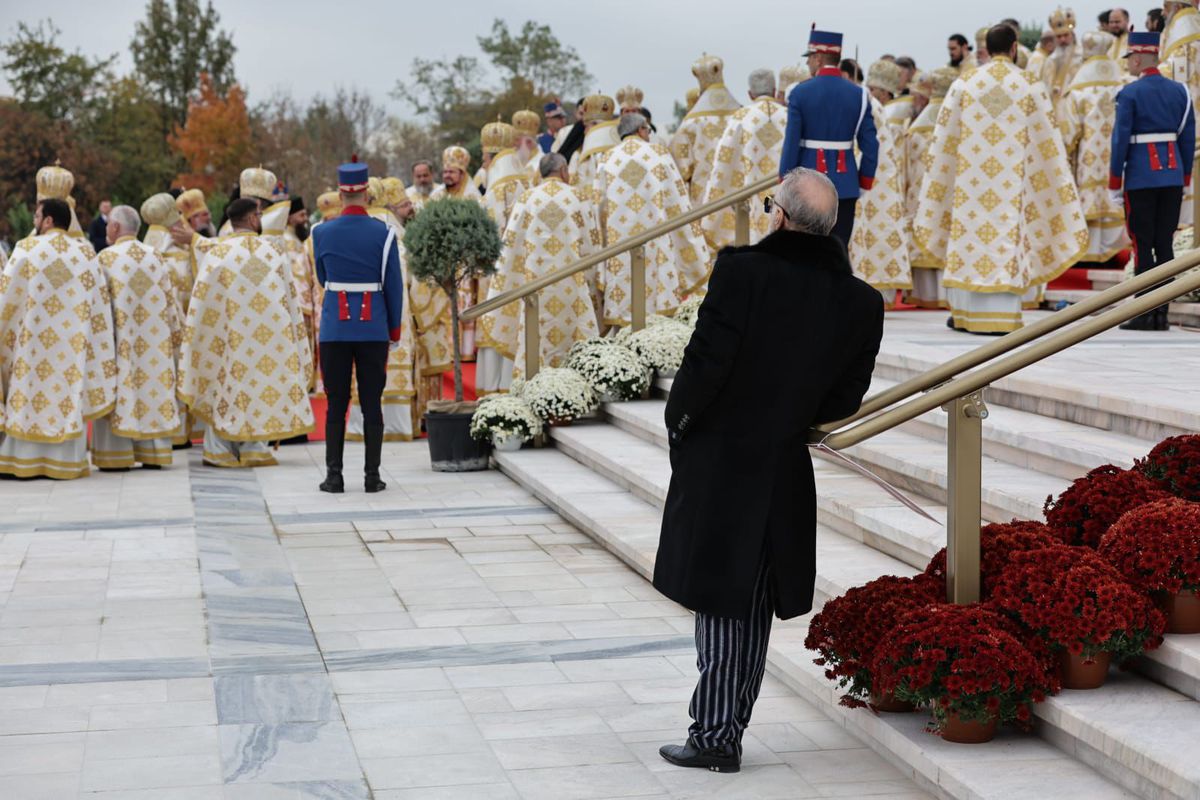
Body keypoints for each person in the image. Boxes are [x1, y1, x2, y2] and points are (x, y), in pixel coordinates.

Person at [654, 167, 883, 774]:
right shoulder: (860, 301)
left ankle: (715, 736)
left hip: (724, 457)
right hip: (780, 461)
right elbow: (844, 398)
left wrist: (679, 426)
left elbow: (704, 362)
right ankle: (720, 728)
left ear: (778, 216)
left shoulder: (742, 272)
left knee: (723, 600)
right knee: (744, 602)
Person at [914, 24, 1089, 335]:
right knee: (1006, 240)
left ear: (987, 48)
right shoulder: (1030, 85)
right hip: (1012, 190)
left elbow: (943, 143)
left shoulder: (965, 84)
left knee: (968, 242)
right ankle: (1002, 317)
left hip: (970, 190)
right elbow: (1047, 142)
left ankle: (965, 315)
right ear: (1013, 48)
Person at [178, 197, 314, 467]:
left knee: (222, 384)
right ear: (253, 219)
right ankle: (255, 448)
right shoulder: (272, 252)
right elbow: (290, 299)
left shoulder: (218, 252)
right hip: (269, 338)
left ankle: (218, 449)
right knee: (262, 387)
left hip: (228, 335)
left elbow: (202, 300)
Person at [0, 197, 116, 479]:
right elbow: (100, 310)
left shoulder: (27, 249)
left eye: (37, 215)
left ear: (48, 220)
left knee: (28, 397)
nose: (34, 221)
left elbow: (7, 300)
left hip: (32, 346)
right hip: (71, 349)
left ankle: (24, 461)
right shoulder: (86, 254)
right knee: (67, 394)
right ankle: (65, 462)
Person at [310, 158, 404, 490]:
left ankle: (334, 476)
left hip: (335, 327)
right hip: (372, 328)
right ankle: (372, 477)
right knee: (371, 402)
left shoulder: (320, 232)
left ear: (340, 193)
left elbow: (323, 278)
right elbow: (393, 286)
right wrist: (394, 330)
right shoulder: (385, 233)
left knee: (336, 402)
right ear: (366, 193)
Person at [1111, 31, 1196, 330]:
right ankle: (1161, 313)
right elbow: (1187, 138)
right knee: (1166, 244)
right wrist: (1184, 178)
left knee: (1143, 245)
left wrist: (1113, 182)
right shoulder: (1180, 92)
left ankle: (1144, 311)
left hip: (1140, 177)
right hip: (1172, 176)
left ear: (1136, 57)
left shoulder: (1129, 94)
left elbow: (1120, 141)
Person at [595, 113, 710, 327]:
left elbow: (598, 211)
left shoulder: (606, 160)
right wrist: (692, 249)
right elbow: (678, 204)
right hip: (658, 245)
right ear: (641, 130)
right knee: (660, 314)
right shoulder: (657, 153)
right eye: (648, 130)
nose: (649, 134)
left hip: (619, 250)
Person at [496, 153, 602, 379]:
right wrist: (595, 283)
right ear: (564, 171)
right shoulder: (579, 197)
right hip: (572, 285)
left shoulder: (526, 199)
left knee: (535, 337)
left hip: (534, 287)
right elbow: (591, 245)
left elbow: (510, 247)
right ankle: (578, 384)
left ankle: (534, 385)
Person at [91, 203, 181, 471]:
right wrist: (175, 338)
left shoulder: (106, 258)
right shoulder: (156, 256)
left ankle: (116, 456)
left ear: (116, 227)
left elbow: (98, 309)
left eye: (109, 225)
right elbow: (171, 303)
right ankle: (154, 453)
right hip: (155, 346)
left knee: (122, 392)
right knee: (152, 390)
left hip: (120, 343)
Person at [780, 28, 879, 249]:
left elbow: (791, 144)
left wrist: (784, 180)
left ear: (818, 57)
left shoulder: (799, 92)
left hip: (807, 185)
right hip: (845, 184)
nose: (808, 65)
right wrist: (863, 182)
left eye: (809, 59)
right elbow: (870, 145)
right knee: (838, 250)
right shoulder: (859, 94)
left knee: (804, 251)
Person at [1061, 30, 1132, 264]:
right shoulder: (1122, 84)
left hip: (1088, 161)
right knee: (1114, 196)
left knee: (1091, 197)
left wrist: (1064, 154)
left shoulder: (1079, 90)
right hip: (1119, 155)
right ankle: (1114, 251)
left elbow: (1069, 133)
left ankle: (1090, 252)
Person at [701, 68, 788, 249]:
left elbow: (724, 162)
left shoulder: (741, 117)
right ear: (774, 91)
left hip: (752, 198)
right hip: (786, 195)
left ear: (750, 94)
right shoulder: (789, 116)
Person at [477, 118, 533, 396]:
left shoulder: (496, 188)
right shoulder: (525, 178)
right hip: (524, 266)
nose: (483, 163)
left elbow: (488, 232)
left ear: (492, 156)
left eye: (485, 157)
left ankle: (496, 386)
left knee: (497, 320)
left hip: (500, 269)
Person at [849, 60, 911, 308]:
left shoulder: (863, 103)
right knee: (880, 229)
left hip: (869, 177)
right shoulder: (873, 105)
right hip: (880, 180)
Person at [905, 67, 959, 309]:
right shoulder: (957, 122)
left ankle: (925, 294)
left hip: (919, 196)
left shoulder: (916, 127)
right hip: (949, 194)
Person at [671, 54, 743, 206]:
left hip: (706, 198)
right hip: (741, 194)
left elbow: (680, 169)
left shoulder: (691, 123)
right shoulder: (743, 115)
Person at [1161, 0, 1200, 225]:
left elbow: (1172, 75)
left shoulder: (1181, 40)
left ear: (1175, 8)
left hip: (1188, 124)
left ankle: (1188, 231)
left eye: (1165, 9)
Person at [567, 94, 621, 199]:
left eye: (589, 126)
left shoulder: (618, 154)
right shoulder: (577, 155)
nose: (585, 131)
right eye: (585, 126)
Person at [1046, 7, 1084, 116]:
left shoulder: (1081, 56)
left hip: (1073, 109)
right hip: (1052, 108)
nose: (1062, 39)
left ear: (1072, 35)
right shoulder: (1049, 60)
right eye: (1058, 36)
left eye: (1066, 35)